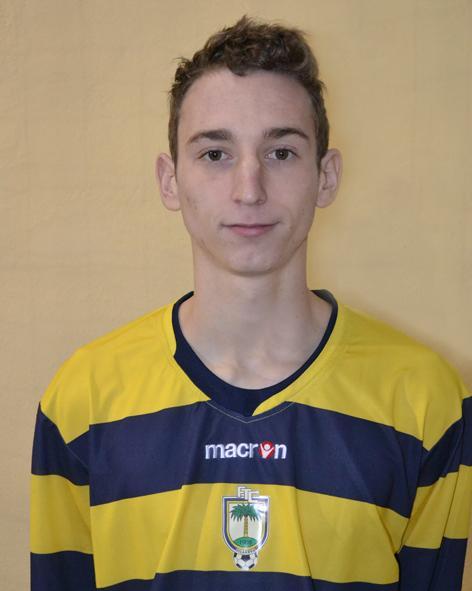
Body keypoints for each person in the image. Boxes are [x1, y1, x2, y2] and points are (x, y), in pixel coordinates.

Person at [30, 15, 471, 591]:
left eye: (281, 152)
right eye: (215, 154)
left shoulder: (426, 401)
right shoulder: (83, 400)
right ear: (170, 180)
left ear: (326, 176)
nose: (249, 189)